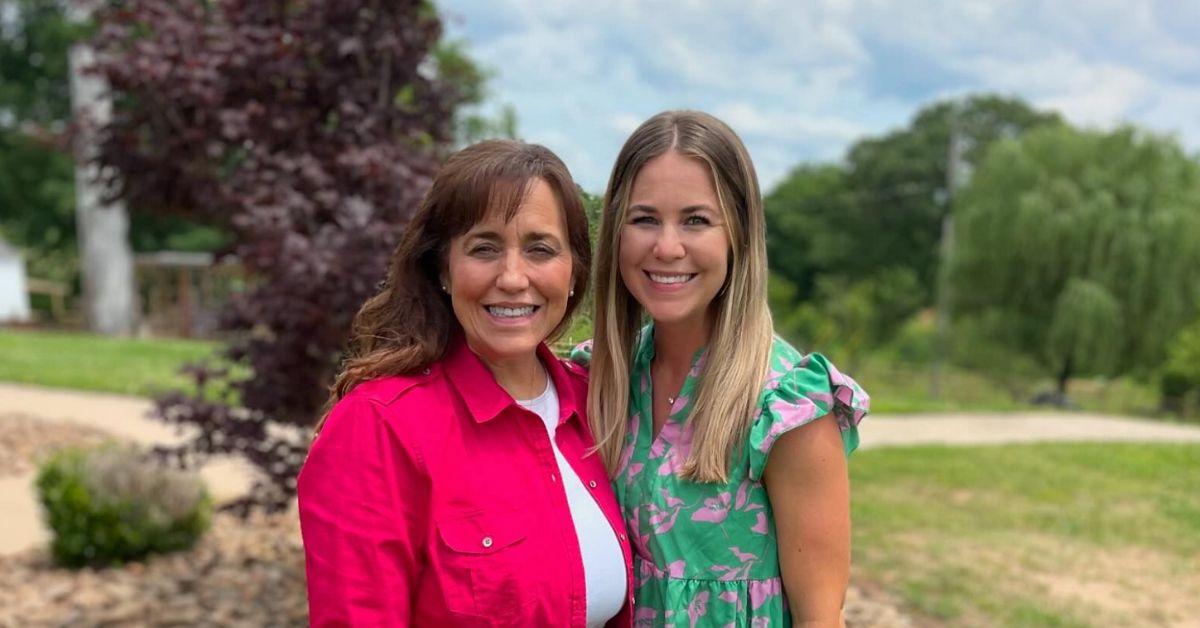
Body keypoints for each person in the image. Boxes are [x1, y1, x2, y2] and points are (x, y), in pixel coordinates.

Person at [298, 140, 633, 627]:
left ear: (574, 272)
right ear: (443, 270)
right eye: (484, 248)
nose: (513, 277)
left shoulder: (599, 407)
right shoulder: (379, 427)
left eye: (540, 249)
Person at [575, 111, 869, 627]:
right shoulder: (596, 381)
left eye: (696, 220)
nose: (667, 247)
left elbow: (822, 619)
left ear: (738, 235)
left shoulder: (785, 408)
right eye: (644, 219)